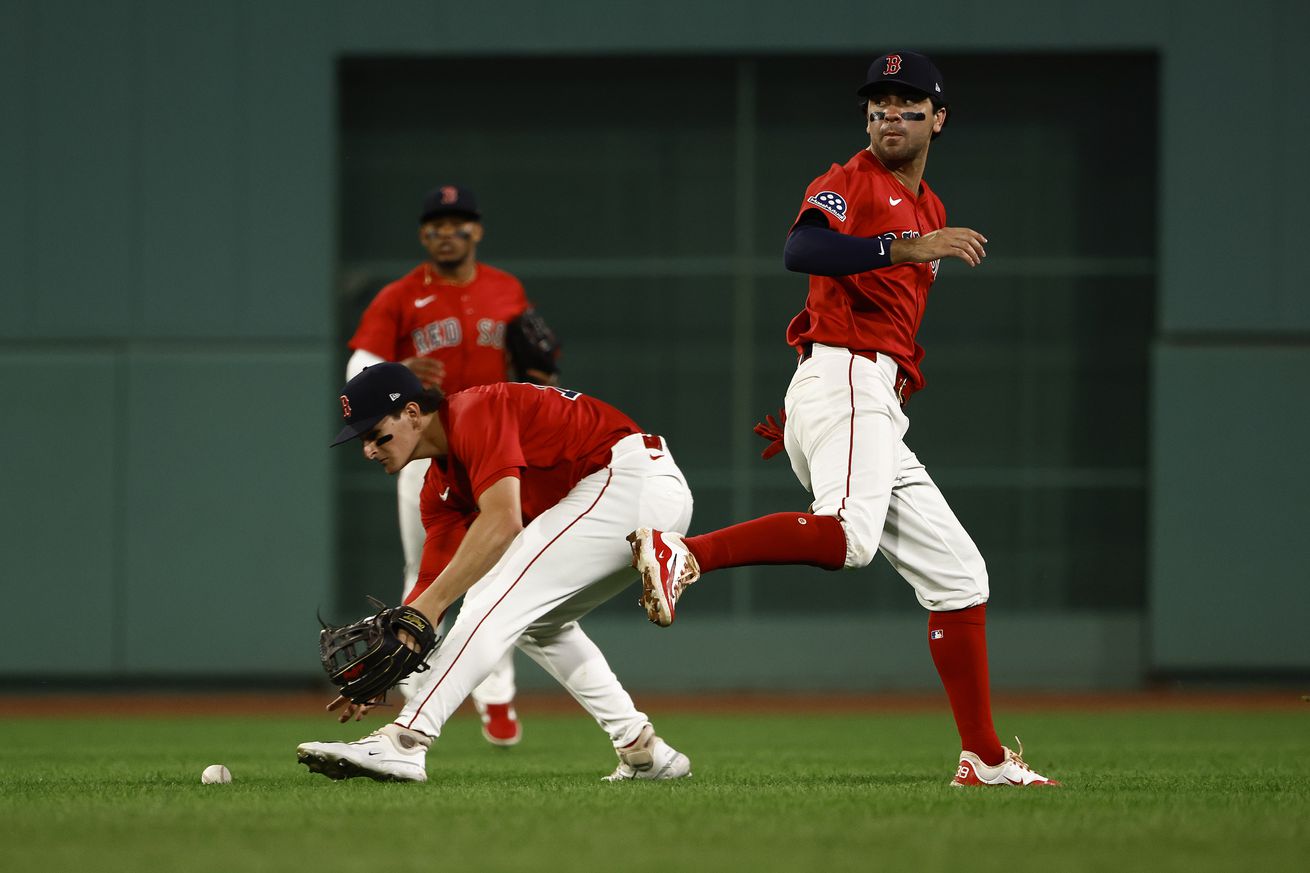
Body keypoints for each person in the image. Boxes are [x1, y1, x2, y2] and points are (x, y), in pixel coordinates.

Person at [627, 51, 1058, 788]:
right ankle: (683, 554)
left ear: (938, 119)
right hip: (847, 376)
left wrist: (830, 410)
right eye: (880, 104)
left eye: (909, 103)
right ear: (866, 117)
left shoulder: (929, 206)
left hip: (866, 396)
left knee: (959, 576)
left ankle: (983, 757)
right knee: (851, 540)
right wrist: (899, 249)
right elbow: (802, 248)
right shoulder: (850, 180)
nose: (891, 114)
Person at [297, 363, 694, 783]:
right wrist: (395, 652)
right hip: (625, 496)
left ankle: (405, 740)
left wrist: (423, 613)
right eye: (361, 440)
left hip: (631, 481)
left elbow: (503, 521)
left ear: (412, 414)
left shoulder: (475, 411)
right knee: (539, 624)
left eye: (376, 434)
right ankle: (642, 749)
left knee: (492, 597)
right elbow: (434, 582)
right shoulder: (439, 489)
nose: (369, 449)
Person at [345, 184, 552, 746]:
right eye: (435, 223)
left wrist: (541, 378)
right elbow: (359, 368)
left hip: (492, 446)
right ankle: (414, 690)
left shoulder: (506, 289)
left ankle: (497, 696)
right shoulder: (401, 295)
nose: (446, 232)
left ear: (477, 231)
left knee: (500, 565)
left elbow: (533, 360)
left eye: (458, 221)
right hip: (424, 449)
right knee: (426, 567)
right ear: (422, 234)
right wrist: (395, 369)